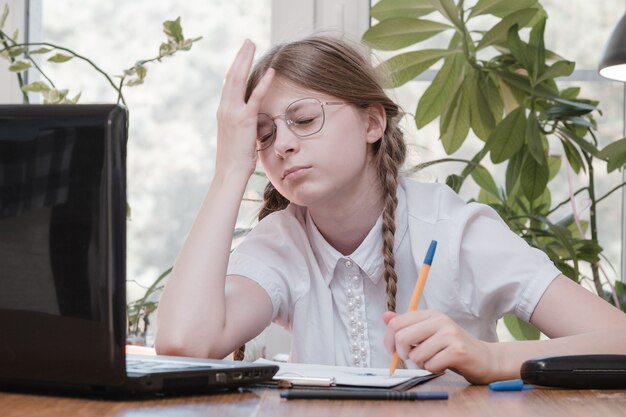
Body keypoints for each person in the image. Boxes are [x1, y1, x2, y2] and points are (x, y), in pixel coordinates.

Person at [155, 34, 626, 384]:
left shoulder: (455, 231)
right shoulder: (281, 242)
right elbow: (184, 344)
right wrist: (228, 171)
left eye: (303, 119)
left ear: (373, 122)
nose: (283, 145)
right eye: (264, 134)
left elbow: (619, 341)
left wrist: (490, 359)